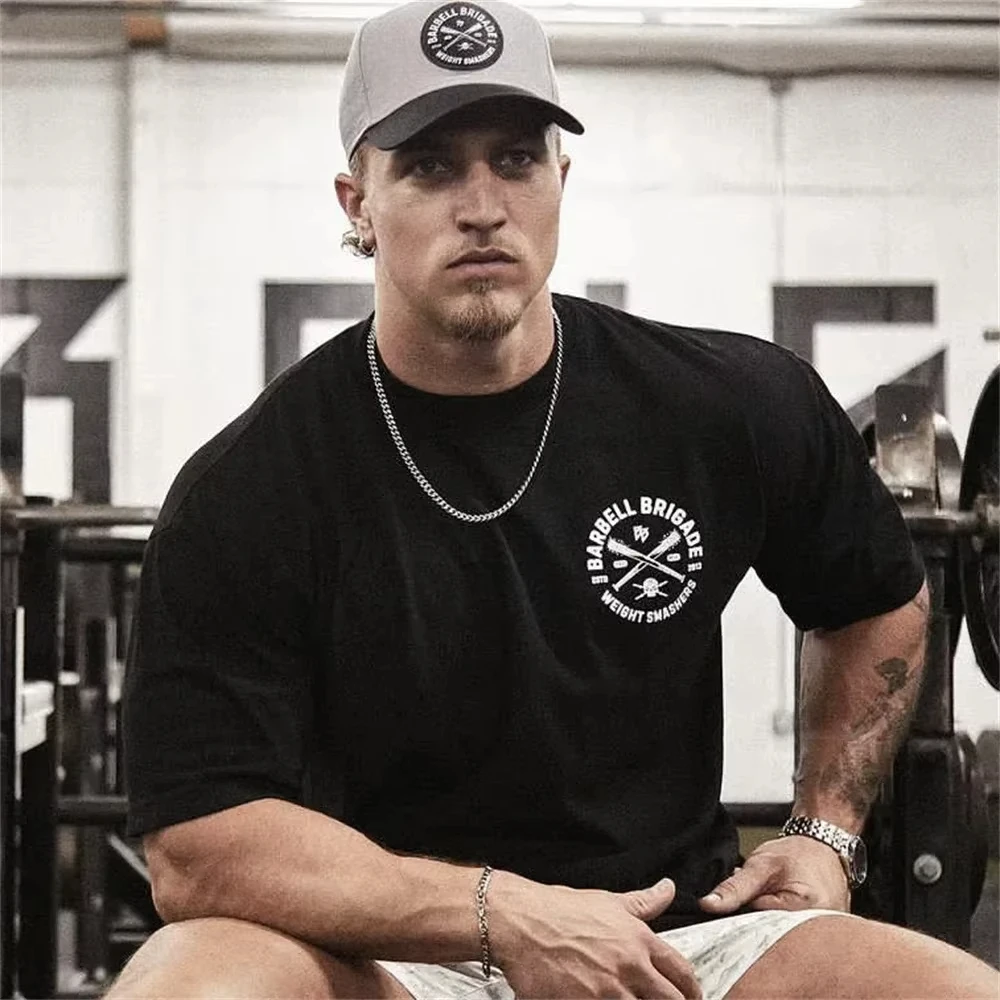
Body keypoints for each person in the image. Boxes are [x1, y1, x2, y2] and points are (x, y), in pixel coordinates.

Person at [107, 2, 997, 998]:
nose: (482, 205)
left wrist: (825, 830)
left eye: (516, 161)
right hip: (386, 946)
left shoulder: (727, 405)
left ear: (561, 180)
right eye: (430, 166)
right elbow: (198, 848)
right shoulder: (249, 487)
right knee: (187, 984)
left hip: (679, 932)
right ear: (358, 202)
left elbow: (876, 596)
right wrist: (504, 913)